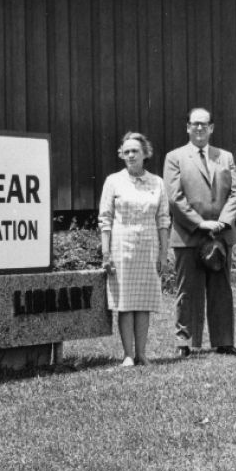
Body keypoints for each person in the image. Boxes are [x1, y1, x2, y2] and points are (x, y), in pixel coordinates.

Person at [164, 107, 236, 357]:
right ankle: (185, 343)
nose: (199, 128)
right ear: (187, 127)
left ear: (211, 128)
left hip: (220, 234)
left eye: (204, 124)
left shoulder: (225, 157)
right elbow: (174, 198)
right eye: (194, 124)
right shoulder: (175, 157)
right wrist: (200, 223)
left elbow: (235, 193)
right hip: (189, 233)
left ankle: (224, 340)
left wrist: (222, 222)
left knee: (221, 289)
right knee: (187, 290)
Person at [98, 132, 171, 367]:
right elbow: (105, 219)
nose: (130, 155)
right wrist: (106, 253)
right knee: (125, 303)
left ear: (145, 154)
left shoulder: (157, 182)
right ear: (121, 154)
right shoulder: (113, 181)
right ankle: (128, 354)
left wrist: (163, 253)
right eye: (126, 151)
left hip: (148, 247)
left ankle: (142, 353)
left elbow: (163, 220)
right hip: (121, 247)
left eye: (135, 151)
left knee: (144, 303)